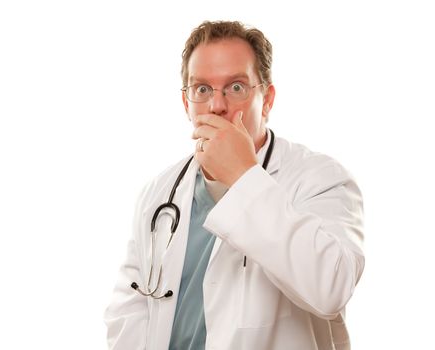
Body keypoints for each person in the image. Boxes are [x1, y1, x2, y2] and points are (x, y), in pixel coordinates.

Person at [104, 20, 364, 350]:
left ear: (267, 100)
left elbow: (331, 288)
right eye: (202, 89)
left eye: (236, 87)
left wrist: (244, 176)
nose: (217, 105)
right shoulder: (159, 193)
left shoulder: (321, 179)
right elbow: (129, 309)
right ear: (187, 104)